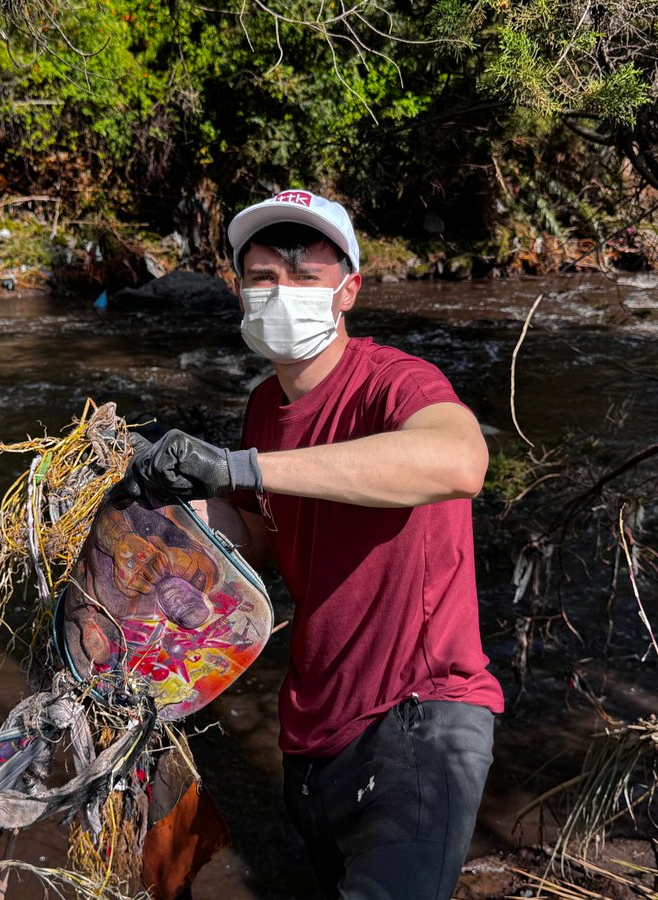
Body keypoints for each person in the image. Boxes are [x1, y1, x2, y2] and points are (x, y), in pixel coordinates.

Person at [113, 189, 505, 899]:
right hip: (314, 728)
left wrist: (241, 465)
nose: (280, 294)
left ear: (348, 290)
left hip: (421, 716)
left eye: (305, 277)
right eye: (262, 278)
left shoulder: (397, 384)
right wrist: (160, 503)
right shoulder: (266, 404)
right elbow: (259, 531)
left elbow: (459, 462)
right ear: (238, 292)